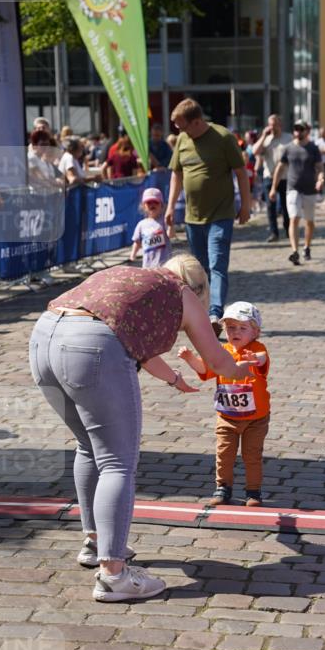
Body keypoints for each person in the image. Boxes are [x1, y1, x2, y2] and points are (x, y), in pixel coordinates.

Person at [30, 254, 257, 603]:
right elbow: (216, 359)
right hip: (90, 347)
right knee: (117, 462)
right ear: (197, 288)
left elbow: (134, 342)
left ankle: (95, 543)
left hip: (44, 337)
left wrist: (174, 379)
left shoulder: (134, 277)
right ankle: (113, 575)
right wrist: (242, 371)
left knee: (88, 447)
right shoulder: (182, 293)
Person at [165, 98, 250, 336]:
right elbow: (176, 175)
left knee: (217, 265)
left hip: (220, 215)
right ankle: (200, 314)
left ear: (197, 121)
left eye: (182, 127)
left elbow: (241, 172)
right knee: (198, 269)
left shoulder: (223, 137)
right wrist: (171, 206)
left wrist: (246, 204)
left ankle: (214, 313)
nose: (179, 132)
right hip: (194, 217)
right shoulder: (183, 139)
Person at [178, 301, 269, 508]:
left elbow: (263, 359)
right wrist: (190, 358)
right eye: (230, 328)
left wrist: (255, 358)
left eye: (242, 328)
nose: (235, 332)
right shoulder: (220, 352)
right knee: (224, 453)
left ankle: (253, 491)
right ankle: (223, 487)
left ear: (255, 332)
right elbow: (205, 369)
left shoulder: (257, 349)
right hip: (227, 416)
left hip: (256, 418)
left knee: (252, 455)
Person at [270, 120, 324, 266]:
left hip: (310, 190)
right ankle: (295, 251)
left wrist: (321, 179)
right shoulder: (288, 148)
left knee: (309, 222)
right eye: (296, 128)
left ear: (307, 130)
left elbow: (320, 168)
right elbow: (280, 169)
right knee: (294, 218)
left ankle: (306, 247)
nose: (298, 131)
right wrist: (273, 188)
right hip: (292, 189)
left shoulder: (313, 148)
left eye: (301, 129)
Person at [252, 113, 292, 243]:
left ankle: (288, 230)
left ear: (280, 125)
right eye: (270, 125)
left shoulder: (288, 138)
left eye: (274, 125)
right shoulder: (266, 139)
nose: (272, 127)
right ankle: (274, 233)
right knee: (270, 206)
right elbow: (255, 151)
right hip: (269, 177)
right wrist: (263, 135)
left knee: (287, 207)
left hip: (285, 177)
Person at [129, 187, 172, 267]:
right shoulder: (141, 224)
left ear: (162, 205)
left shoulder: (164, 221)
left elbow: (171, 235)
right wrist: (133, 254)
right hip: (148, 265)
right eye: (149, 203)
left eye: (155, 202)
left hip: (165, 265)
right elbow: (137, 242)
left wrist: (170, 224)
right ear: (143, 206)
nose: (152, 205)